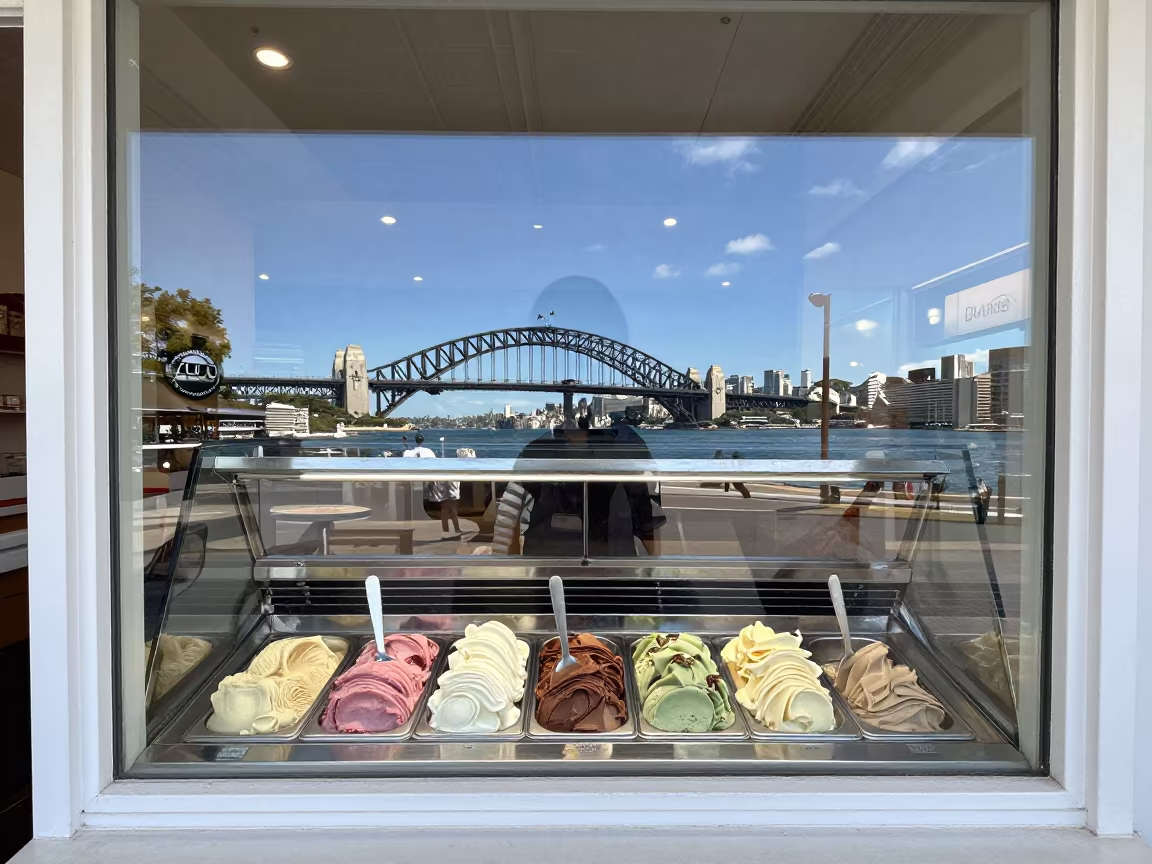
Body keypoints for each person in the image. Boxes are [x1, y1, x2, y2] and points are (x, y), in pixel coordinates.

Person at [402, 434, 461, 537]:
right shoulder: (429, 452)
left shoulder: (409, 453)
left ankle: (450, 531)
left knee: (447, 510)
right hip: (434, 482)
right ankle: (453, 530)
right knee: (450, 510)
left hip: (416, 479)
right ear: (423, 441)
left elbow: (406, 458)